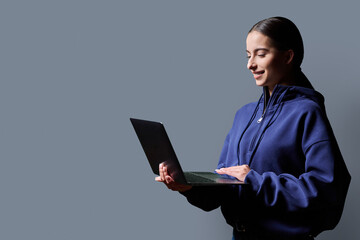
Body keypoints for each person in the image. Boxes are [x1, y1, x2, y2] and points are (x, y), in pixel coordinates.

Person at [155, 16, 351, 240]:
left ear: (288, 56)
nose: (250, 64)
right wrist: (188, 187)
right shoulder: (244, 115)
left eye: (260, 54)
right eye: (248, 56)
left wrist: (254, 180)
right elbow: (225, 183)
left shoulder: (307, 112)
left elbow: (327, 189)